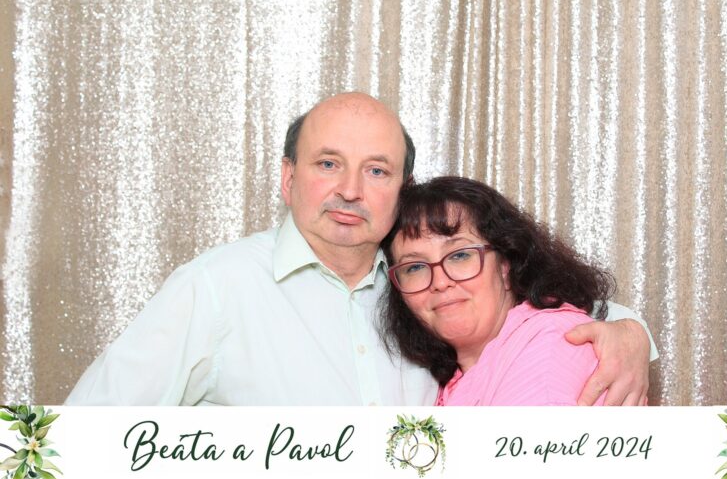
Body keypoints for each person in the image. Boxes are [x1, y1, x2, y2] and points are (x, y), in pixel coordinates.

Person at [65, 92, 656, 406]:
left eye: (376, 170)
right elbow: (81, 437)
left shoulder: (429, 288)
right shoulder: (215, 288)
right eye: (329, 164)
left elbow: (545, 319)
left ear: (401, 188)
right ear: (288, 179)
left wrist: (632, 336)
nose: (350, 190)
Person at [381, 176, 631, 405]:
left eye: (460, 255)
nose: (440, 281)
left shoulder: (548, 343)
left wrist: (632, 329)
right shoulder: (454, 377)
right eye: (414, 268)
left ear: (505, 266)